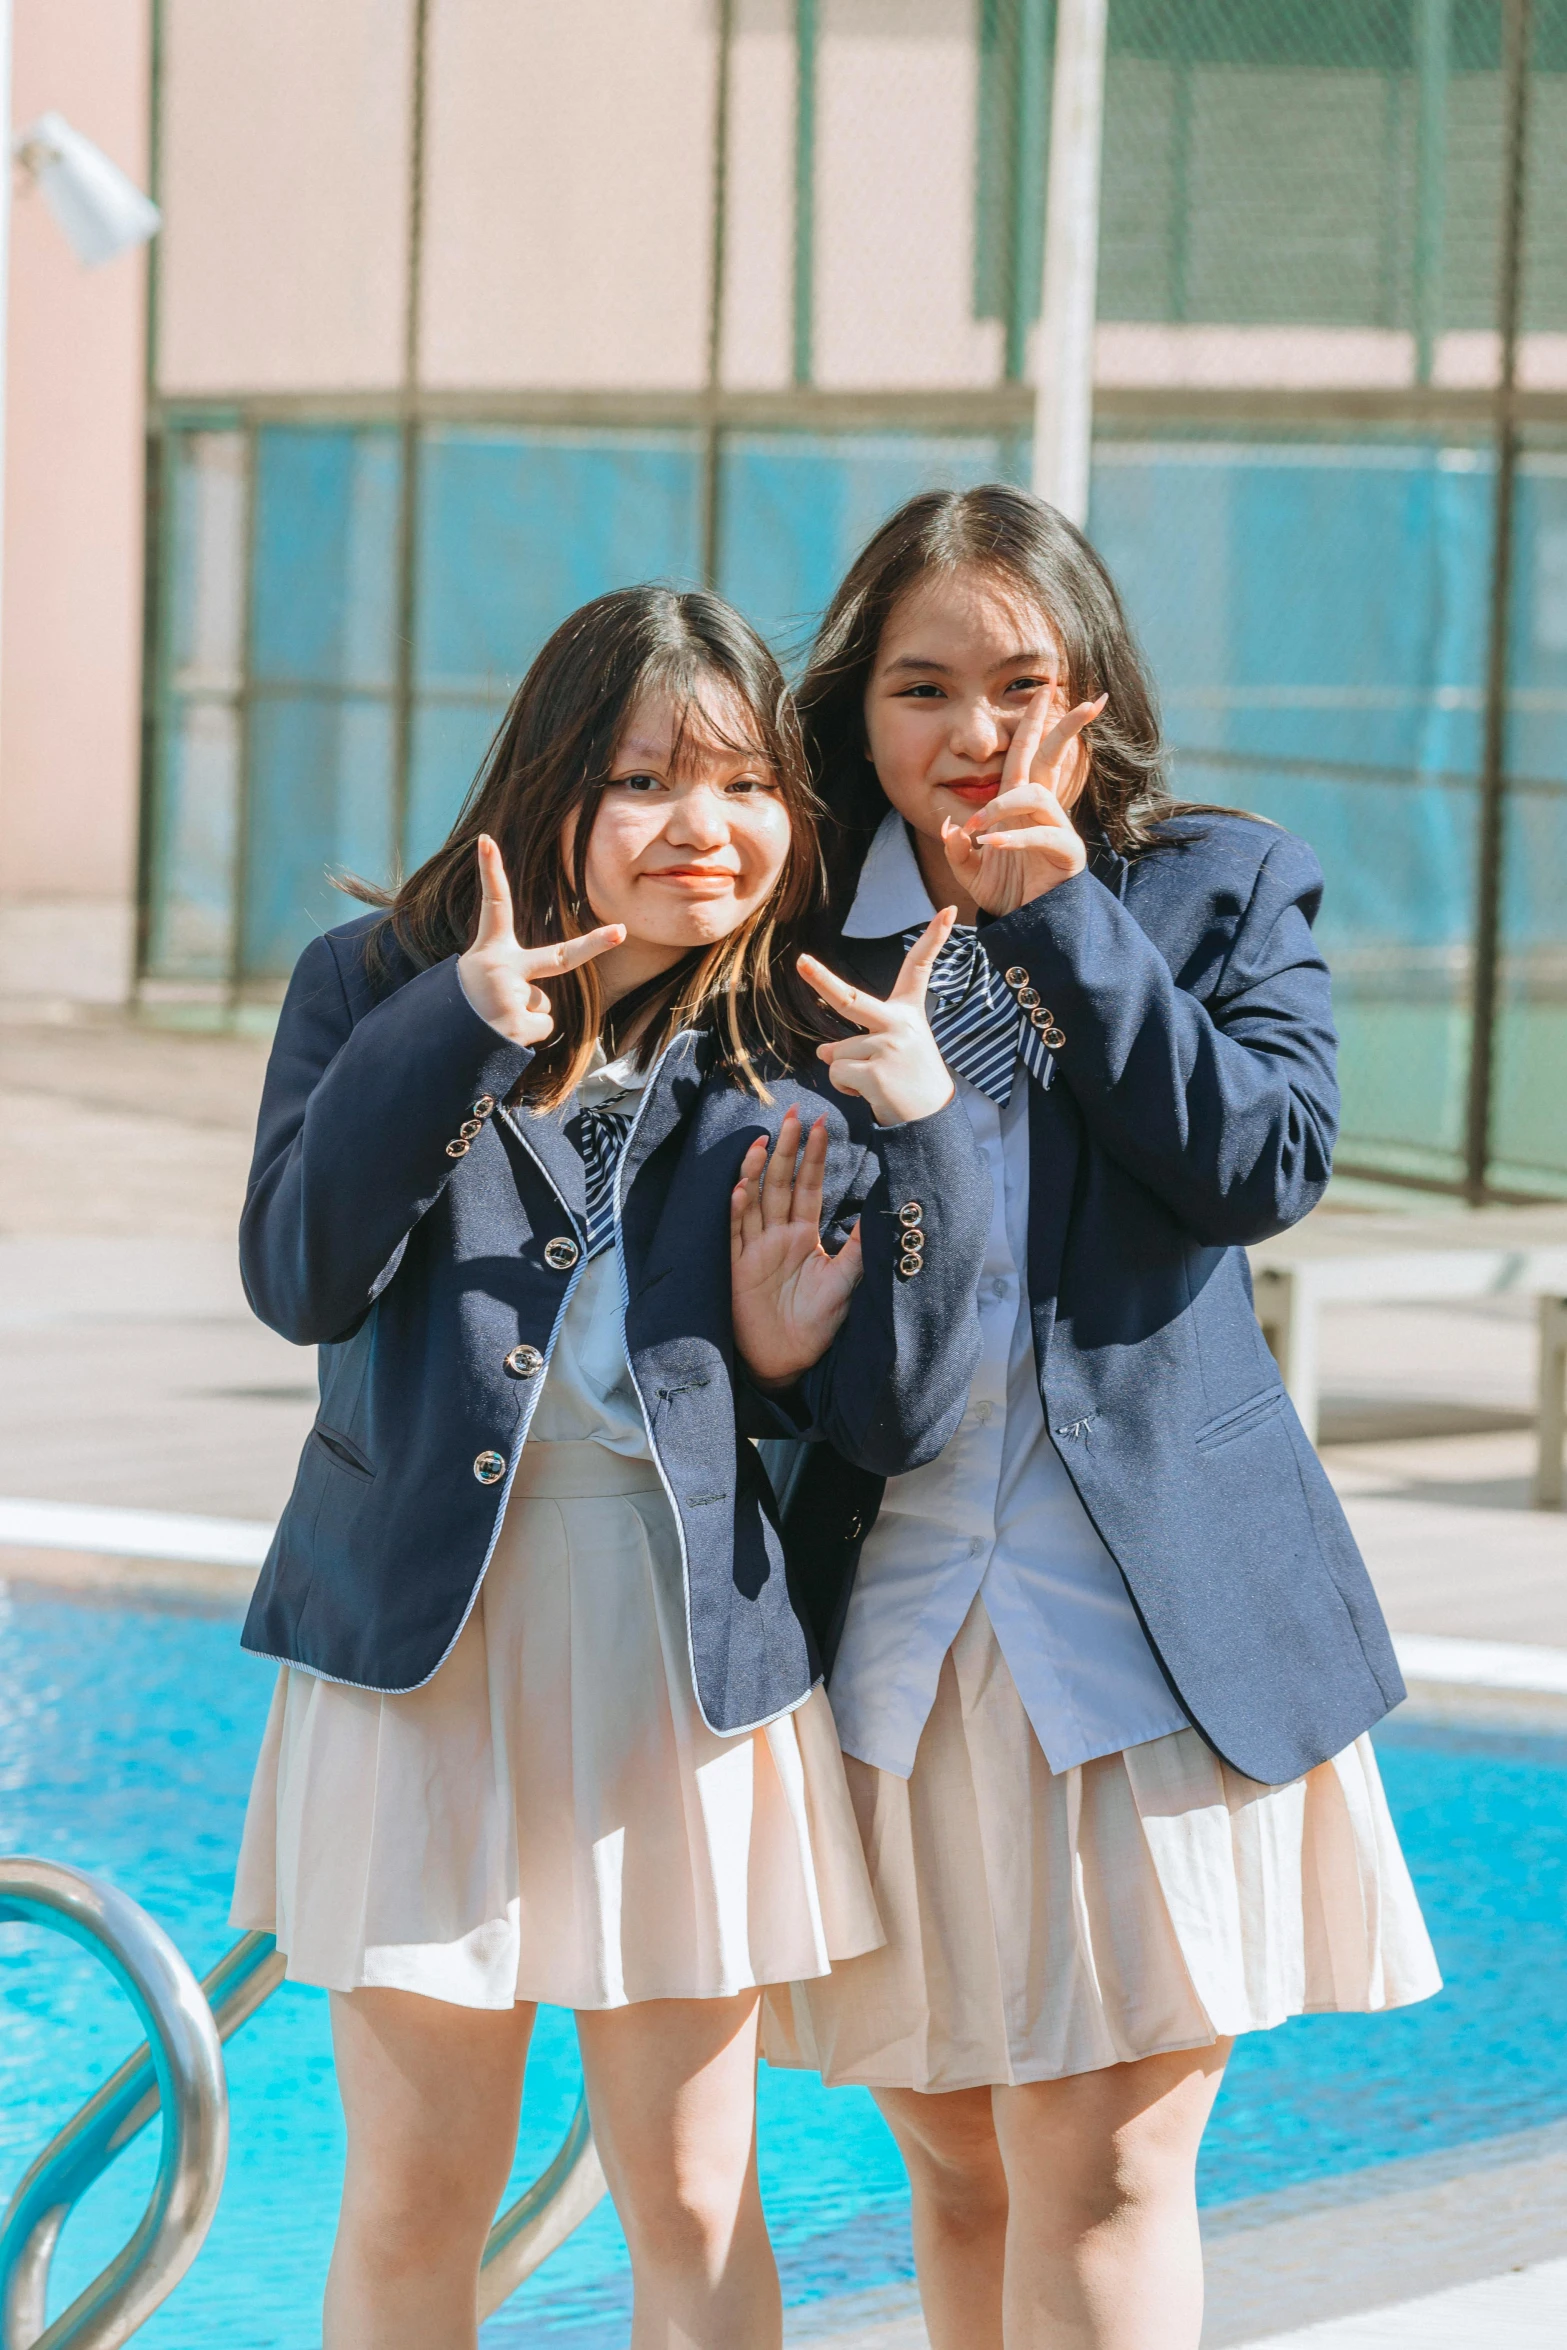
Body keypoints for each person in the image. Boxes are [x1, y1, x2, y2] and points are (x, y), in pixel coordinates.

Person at [229, 583, 991, 2350]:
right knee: (419, 2191)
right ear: (554, 786)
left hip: (677, 1659)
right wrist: (456, 1030)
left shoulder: (797, 1041)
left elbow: (893, 1412)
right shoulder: (376, 988)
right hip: (424, 1651)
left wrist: (830, 1302)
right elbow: (298, 1274)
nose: (704, 832)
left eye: (743, 786)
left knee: (696, 2190)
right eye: (650, 781)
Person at [762, 487, 1441, 2350]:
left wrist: (1059, 916)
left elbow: (1260, 1160)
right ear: (859, 704)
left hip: (1143, 1624)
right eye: (920, 688)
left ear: (1089, 693)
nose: (970, 736)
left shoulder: (1213, 883)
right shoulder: (785, 931)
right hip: (881, 1636)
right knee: (961, 2168)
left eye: (1016, 683)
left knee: (1113, 2164)